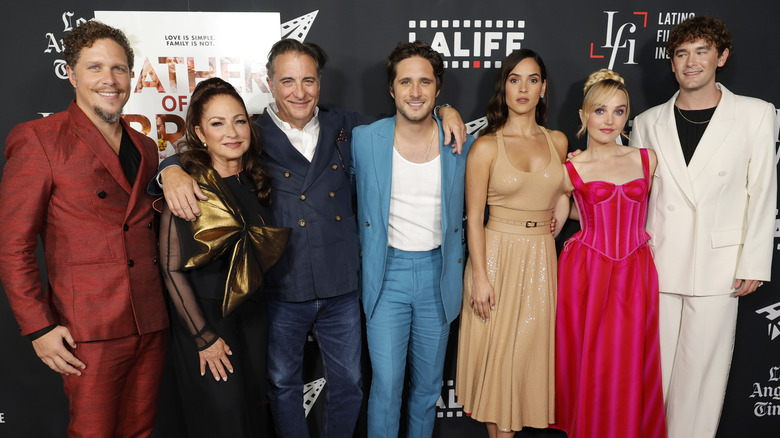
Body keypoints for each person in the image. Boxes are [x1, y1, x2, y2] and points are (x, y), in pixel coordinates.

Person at [151, 38, 467, 437]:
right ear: (269, 82)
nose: (299, 92)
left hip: (340, 287)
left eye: (308, 80)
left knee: (350, 384)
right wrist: (170, 169)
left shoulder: (347, 126)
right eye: (287, 81)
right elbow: (204, 147)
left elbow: (410, 114)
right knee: (283, 386)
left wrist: (444, 108)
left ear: (320, 82)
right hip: (283, 286)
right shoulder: (251, 132)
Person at [0, 21, 169, 436]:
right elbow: (14, 244)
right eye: (95, 68)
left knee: (140, 432)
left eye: (119, 69)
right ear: (72, 74)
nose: (109, 80)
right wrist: (38, 326)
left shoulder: (145, 145)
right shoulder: (38, 138)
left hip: (150, 320)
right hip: (86, 329)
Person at [630, 16, 776, 438]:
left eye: (701, 51)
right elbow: (634, 199)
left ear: (721, 57)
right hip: (657, 264)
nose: (690, 62)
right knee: (652, 377)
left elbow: (763, 191)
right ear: (671, 64)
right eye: (681, 54)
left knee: (702, 382)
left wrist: (754, 260)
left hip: (720, 265)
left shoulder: (755, 114)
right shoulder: (645, 122)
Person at [351, 41, 474, 438]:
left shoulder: (460, 141)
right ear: (391, 89)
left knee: (426, 390)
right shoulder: (364, 139)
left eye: (425, 82)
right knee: (385, 387)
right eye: (406, 82)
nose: (415, 92)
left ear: (438, 89)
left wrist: (447, 114)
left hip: (439, 276)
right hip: (386, 275)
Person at [159, 78, 289, 437]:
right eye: (218, 123)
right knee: (224, 420)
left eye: (239, 120)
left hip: (254, 319)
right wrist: (203, 337)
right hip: (206, 323)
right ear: (200, 133)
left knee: (251, 413)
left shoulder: (258, 181)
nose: (232, 132)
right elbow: (171, 270)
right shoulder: (189, 186)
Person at [455, 48, 569, 437]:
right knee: (498, 365)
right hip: (497, 259)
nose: (523, 88)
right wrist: (481, 278)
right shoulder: (486, 146)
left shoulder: (558, 142)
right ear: (503, 86)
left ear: (543, 89)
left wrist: (563, 205)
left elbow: (562, 188)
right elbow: (473, 218)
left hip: (541, 259)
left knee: (525, 366)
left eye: (532, 79)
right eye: (514, 79)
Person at [554, 69, 666, 438]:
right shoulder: (571, 166)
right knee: (593, 362)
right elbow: (551, 221)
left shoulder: (646, 159)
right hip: (587, 272)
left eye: (619, 111)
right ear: (585, 114)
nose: (609, 120)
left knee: (631, 360)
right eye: (600, 111)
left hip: (635, 270)